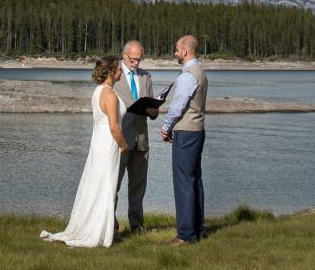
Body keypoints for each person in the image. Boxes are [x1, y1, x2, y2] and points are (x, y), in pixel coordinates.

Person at [40, 54, 129, 248]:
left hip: (99, 142)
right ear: (112, 72)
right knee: (106, 186)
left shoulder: (98, 91)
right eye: (120, 69)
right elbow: (114, 126)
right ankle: (98, 231)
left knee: (97, 184)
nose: (122, 71)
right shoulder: (110, 95)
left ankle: (100, 227)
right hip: (108, 144)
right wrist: (124, 145)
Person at [158, 34, 207, 245]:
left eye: (177, 49)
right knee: (195, 180)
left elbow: (178, 106)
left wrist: (166, 126)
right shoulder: (200, 71)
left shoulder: (188, 75)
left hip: (186, 132)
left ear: (185, 51)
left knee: (183, 182)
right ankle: (197, 230)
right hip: (198, 130)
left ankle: (185, 235)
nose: (175, 52)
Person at [111, 39, 159, 233]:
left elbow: (153, 109)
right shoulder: (114, 75)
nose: (136, 63)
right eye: (132, 59)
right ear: (124, 55)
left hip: (142, 141)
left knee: (138, 188)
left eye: (139, 59)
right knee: (113, 185)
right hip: (120, 141)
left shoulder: (146, 76)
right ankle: (110, 224)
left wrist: (154, 111)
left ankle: (137, 225)